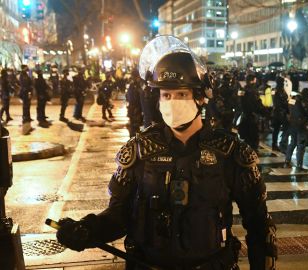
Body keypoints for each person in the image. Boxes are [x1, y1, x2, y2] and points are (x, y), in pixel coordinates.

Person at [55, 35, 277, 270]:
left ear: (200, 97)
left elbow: (259, 226)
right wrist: (87, 229)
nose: (172, 102)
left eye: (181, 94)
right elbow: (118, 216)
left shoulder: (231, 153)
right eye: (166, 95)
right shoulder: (139, 151)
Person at [238, 73, 270, 151]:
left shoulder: (242, 90)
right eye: (255, 80)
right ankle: (252, 153)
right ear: (253, 81)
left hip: (245, 116)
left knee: (247, 137)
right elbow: (257, 104)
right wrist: (265, 112)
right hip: (252, 116)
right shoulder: (253, 91)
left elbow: (239, 102)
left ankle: (246, 151)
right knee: (253, 137)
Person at [285, 88, 308, 170]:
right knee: (301, 145)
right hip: (301, 126)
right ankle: (299, 165)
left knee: (292, 143)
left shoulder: (292, 100)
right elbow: (305, 113)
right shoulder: (304, 102)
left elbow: (288, 109)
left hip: (292, 125)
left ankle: (287, 161)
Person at [271, 77, 289, 151]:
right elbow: (277, 102)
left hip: (279, 112)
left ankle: (278, 143)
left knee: (278, 129)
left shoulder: (280, 90)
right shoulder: (278, 91)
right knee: (279, 129)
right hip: (280, 112)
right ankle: (278, 144)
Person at [126, 69, 144, 137]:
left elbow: (128, 97)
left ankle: (134, 139)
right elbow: (131, 98)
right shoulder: (135, 86)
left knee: (134, 126)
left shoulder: (134, 85)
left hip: (134, 109)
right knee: (135, 126)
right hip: (135, 109)